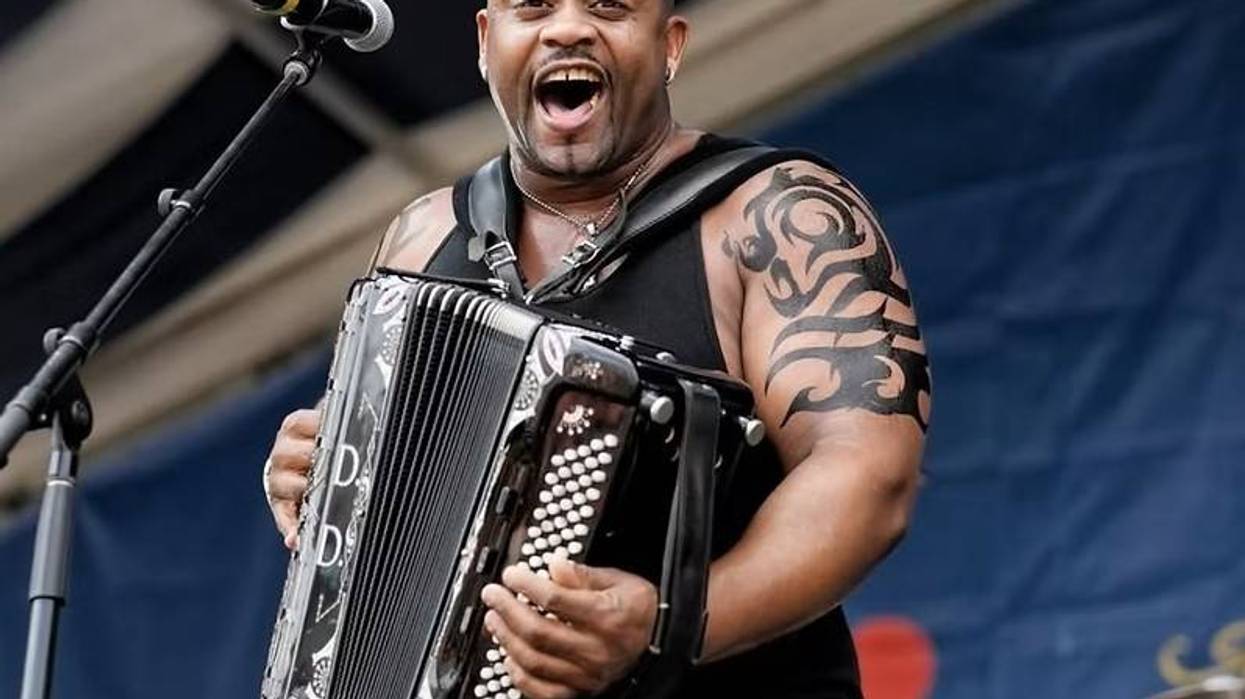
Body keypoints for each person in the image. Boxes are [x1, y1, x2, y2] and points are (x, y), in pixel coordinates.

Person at [264, 1, 930, 697]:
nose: (568, 29)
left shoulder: (774, 214)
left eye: (610, 7)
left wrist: (666, 624)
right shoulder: (422, 235)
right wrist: (311, 470)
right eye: (533, 8)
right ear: (487, 45)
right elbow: (371, 484)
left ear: (669, 46)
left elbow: (866, 477)